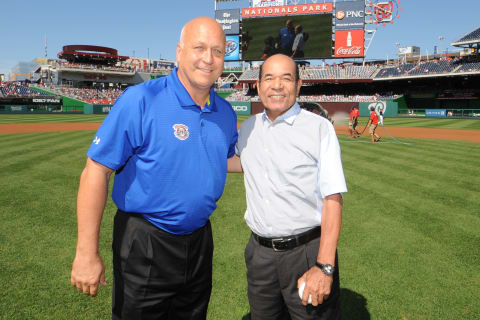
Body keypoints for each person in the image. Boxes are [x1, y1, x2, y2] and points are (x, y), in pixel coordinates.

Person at [70, 17, 238, 320]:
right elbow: (95, 170)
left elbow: (222, 158)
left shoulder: (224, 112)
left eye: (218, 50)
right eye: (199, 47)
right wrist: (86, 253)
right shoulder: (141, 99)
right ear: (179, 52)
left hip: (200, 243)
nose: (208, 58)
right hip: (145, 241)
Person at [228, 54, 347, 319]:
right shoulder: (248, 128)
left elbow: (333, 198)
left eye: (286, 78)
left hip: (305, 252)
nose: (277, 85)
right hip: (259, 256)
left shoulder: (319, 128)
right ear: (258, 86)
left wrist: (325, 266)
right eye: (269, 78)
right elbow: (237, 163)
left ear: (298, 84)